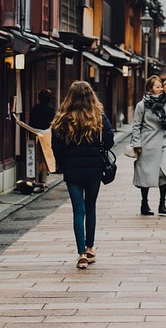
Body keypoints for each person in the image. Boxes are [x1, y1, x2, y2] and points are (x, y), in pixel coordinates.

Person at [49, 80, 114, 270]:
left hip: (72, 170)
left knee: (78, 210)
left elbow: (56, 147)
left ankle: (81, 254)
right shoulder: (99, 117)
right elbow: (109, 141)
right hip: (94, 168)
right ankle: (90, 247)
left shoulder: (62, 118)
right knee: (90, 207)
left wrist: (64, 164)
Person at [131, 75, 166, 216]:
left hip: (163, 142)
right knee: (145, 174)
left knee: (164, 173)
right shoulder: (142, 105)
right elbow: (136, 126)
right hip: (147, 143)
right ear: (150, 89)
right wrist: (137, 144)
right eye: (157, 87)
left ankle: (162, 202)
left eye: (161, 86)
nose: (160, 89)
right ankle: (144, 203)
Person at [28, 88, 57, 186]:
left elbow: (31, 122)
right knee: (45, 157)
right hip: (46, 134)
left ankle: (34, 178)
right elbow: (53, 123)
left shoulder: (36, 108)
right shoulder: (52, 109)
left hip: (35, 133)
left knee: (35, 158)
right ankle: (44, 180)